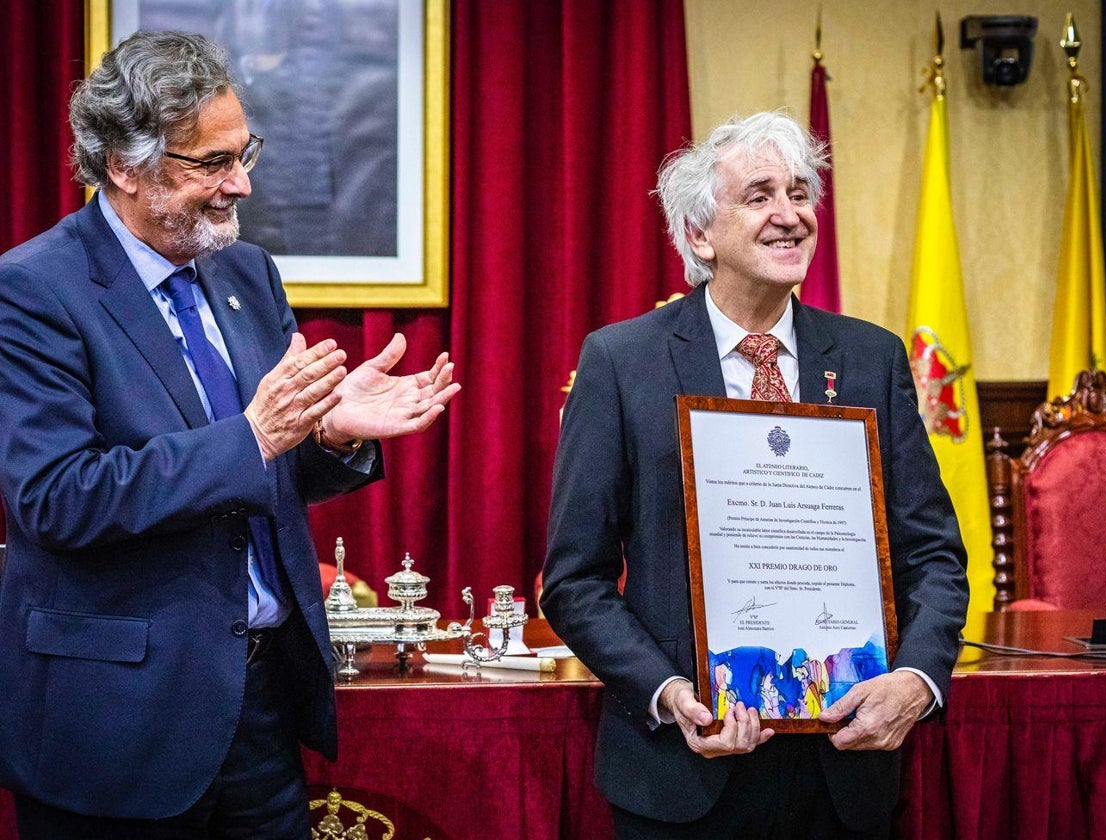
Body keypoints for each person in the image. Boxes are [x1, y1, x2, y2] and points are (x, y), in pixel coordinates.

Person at [0, 31, 459, 838]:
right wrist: (254, 436)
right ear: (124, 166)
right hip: (117, 725)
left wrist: (330, 438)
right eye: (211, 164)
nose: (240, 183)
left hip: (258, 706)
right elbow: (58, 499)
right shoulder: (34, 290)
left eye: (244, 153)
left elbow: (264, 470)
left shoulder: (246, 272)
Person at [541, 111, 968, 839]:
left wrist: (917, 681)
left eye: (800, 194)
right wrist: (670, 692)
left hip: (846, 772)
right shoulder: (622, 363)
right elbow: (573, 581)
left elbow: (934, 554)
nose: (790, 216)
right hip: (684, 774)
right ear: (701, 236)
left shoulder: (872, 358)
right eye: (761, 195)